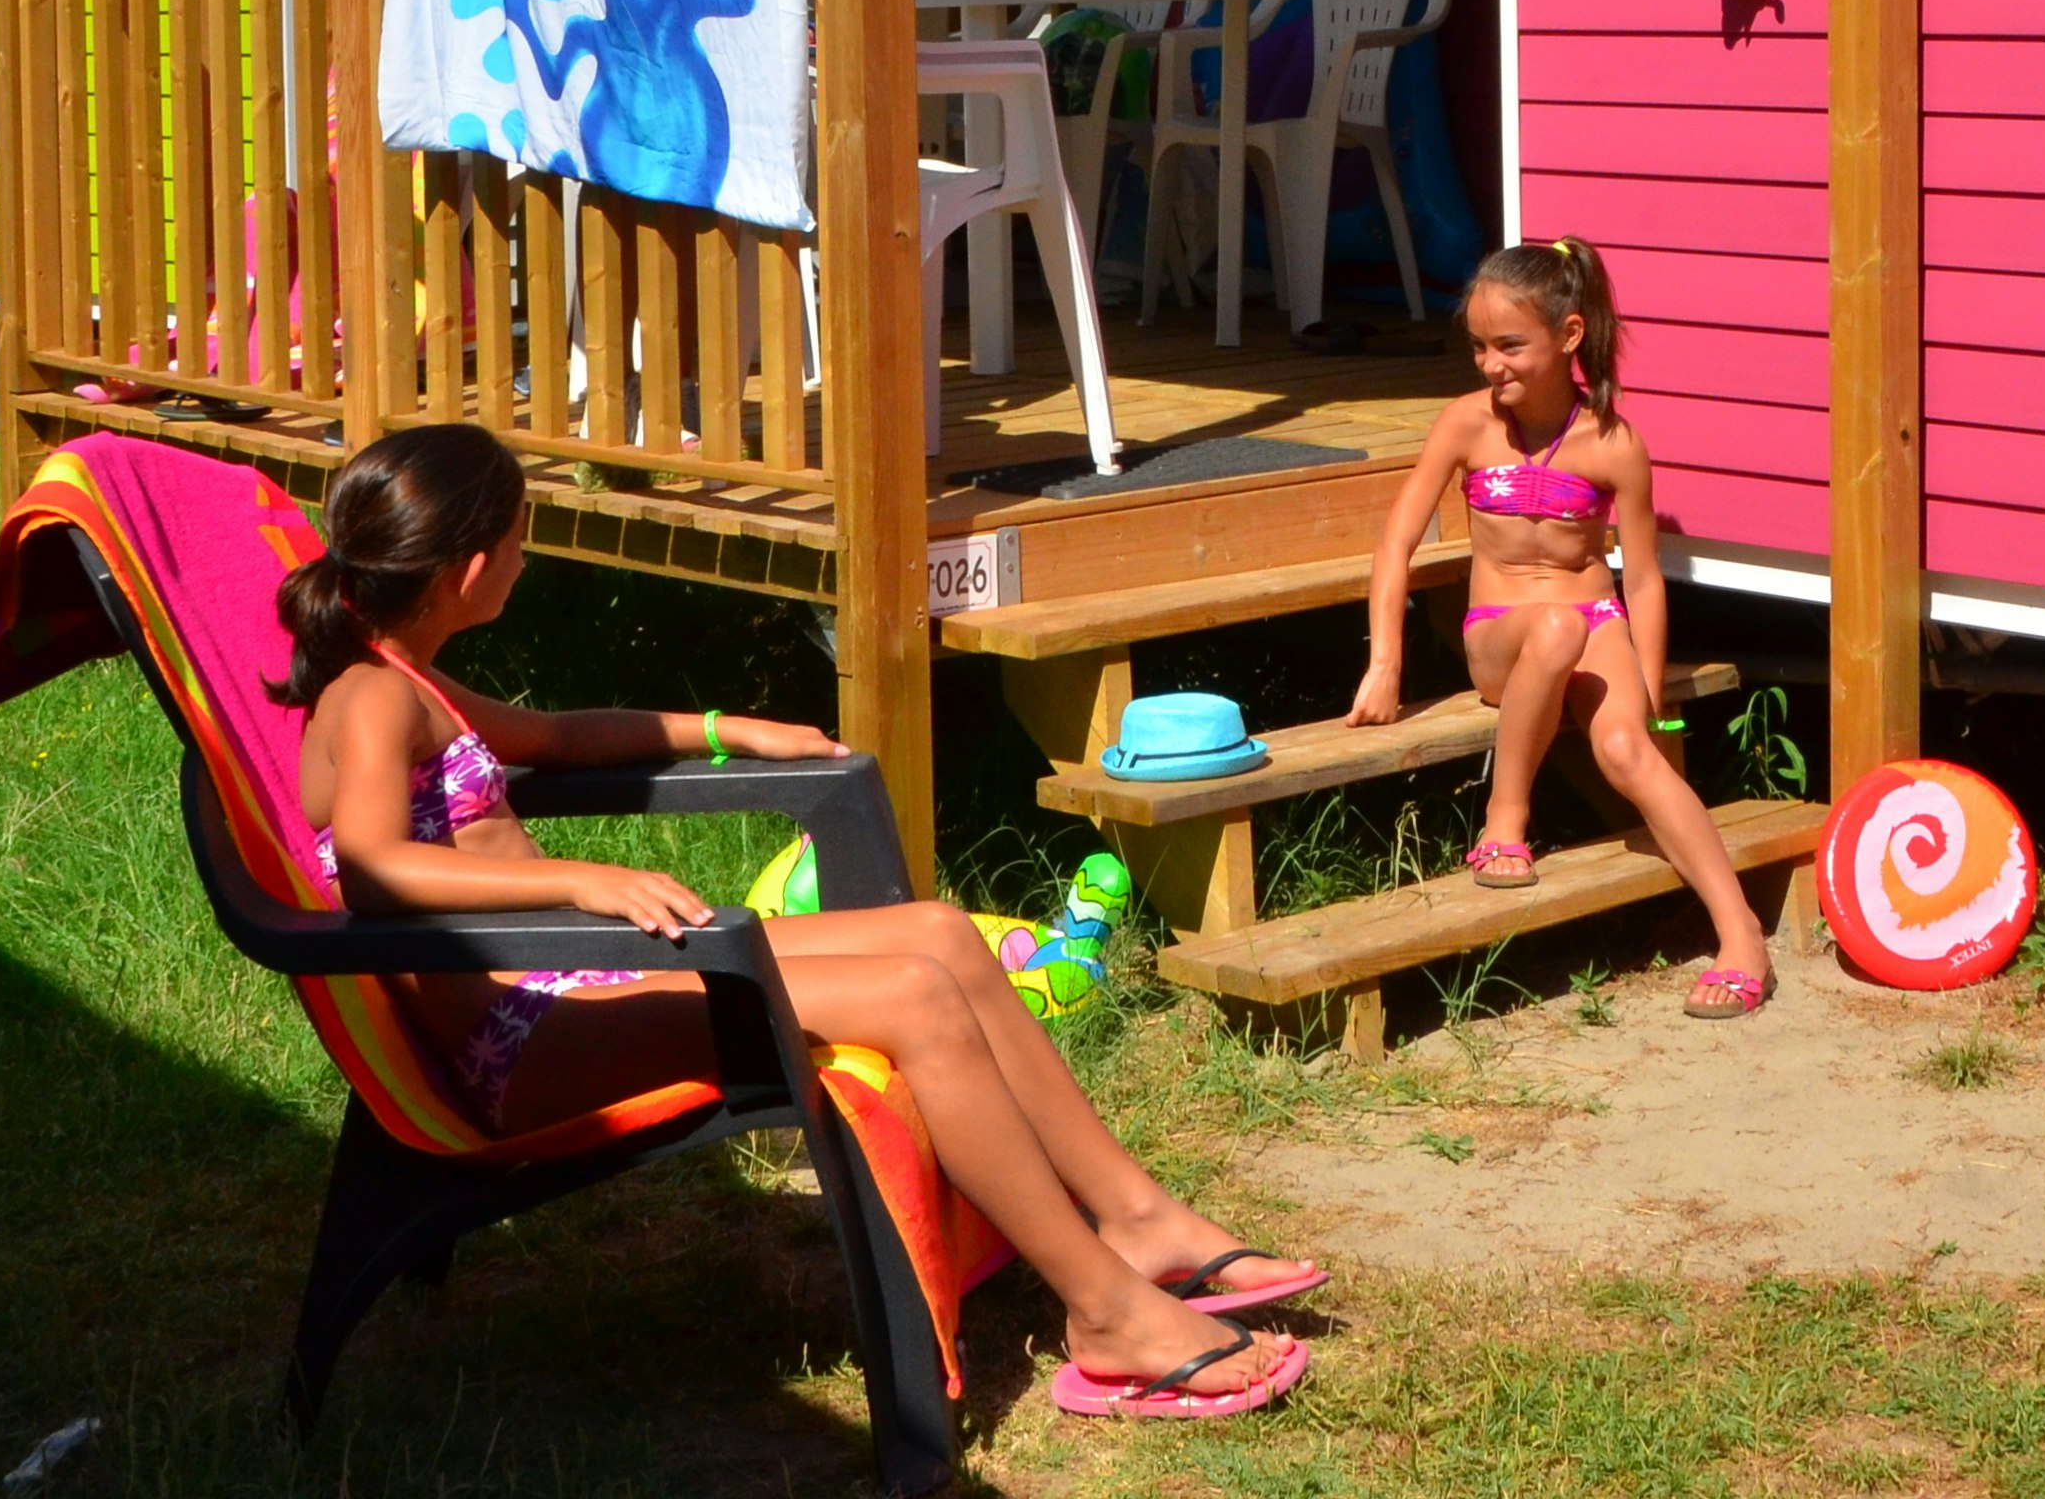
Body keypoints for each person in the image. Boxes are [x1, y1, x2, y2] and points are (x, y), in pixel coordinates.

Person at [280, 423, 1319, 1420]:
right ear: (467, 570)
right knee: (912, 996)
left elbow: (551, 735)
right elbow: (374, 868)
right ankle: (1106, 1314)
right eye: (517, 542)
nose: (523, 560)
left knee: (940, 936)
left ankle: (1137, 1223)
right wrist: (584, 882)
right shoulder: (371, 700)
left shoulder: (404, 678)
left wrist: (731, 730)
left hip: (572, 983)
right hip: (527, 1036)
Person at [1346, 237, 1774, 1018]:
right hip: (1502, 633)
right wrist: (1385, 663)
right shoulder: (1467, 426)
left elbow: (1640, 577)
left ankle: (1740, 931)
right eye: (1478, 345)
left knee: (1624, 750)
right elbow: (1396, 542)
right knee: (1550, 627)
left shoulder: (1612, 441)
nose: (1489, 365)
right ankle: (1506, 816)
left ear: (1569, 336)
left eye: (1509, 345)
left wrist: (1645, 684)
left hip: (1592, 616)